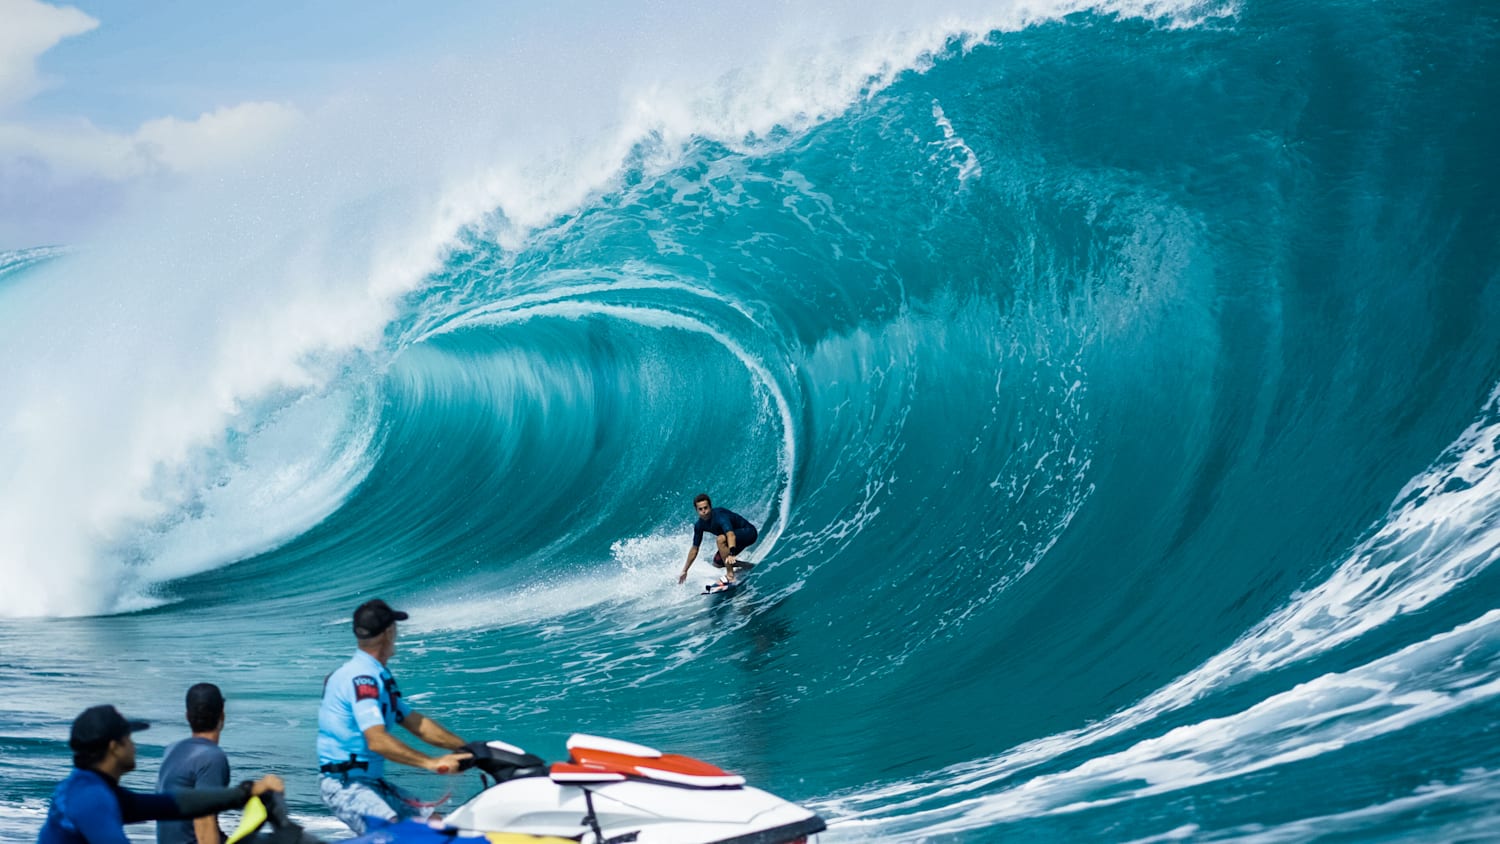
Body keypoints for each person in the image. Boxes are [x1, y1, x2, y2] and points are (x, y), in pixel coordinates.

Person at [317, 598, 471, 835]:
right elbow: (377, 740)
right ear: (388, 632)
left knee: (436, 827)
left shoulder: (375, 674)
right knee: (397, 837)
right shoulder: (362, 678)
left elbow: (415, 722)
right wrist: (431, 763)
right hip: (348, 787)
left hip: (372, 783)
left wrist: (465, 747)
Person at [37, 704, 283, 844]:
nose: (135, 746)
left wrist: (245, 792)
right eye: (129, 739)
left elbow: (175, 803)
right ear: (114, 747)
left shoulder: (91, 789)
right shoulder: (91, 797)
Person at [156, 683, 230, 844]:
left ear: (187, 716)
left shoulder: (172, 750)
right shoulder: (212, 758)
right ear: (222, 716)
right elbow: (204, 825)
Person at [678, 493, 759, 584]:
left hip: (749, 533)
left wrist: (731, 553)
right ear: (696, 510)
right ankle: (746, 565)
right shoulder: (699, 525)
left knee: (720, 539)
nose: (704, 511)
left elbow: (730, 534)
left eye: (706, 507)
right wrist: (685, 570)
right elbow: (694, 549)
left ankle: (730, 575)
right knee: (718, 563)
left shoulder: (719, 516)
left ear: (710, 507)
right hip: (734, 541)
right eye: (700, 509)